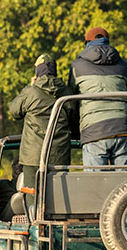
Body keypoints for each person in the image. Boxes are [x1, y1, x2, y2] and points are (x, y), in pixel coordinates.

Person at [8, 54, 78, 206]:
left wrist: (31, 86)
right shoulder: (67, 93)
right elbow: (74, 123)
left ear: (37, 72)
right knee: (59, 196)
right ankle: (56, 225)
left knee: (32, 197)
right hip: (59, 156)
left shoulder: (31, 92)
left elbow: (14, 111)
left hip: (32, 157)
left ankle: (35, 225)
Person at [68, 27, 127, 166]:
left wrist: (76, 132)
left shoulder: (77, 66)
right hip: (122, 129)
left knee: (95, 185)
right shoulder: (124, 66)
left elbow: (72, 102)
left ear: (86, 43)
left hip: (94, 132)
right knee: (126, 185)